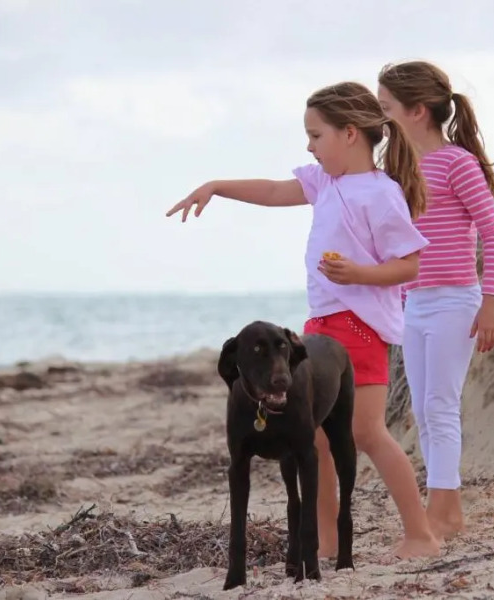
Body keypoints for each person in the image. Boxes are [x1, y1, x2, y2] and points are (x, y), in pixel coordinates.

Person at [166, 81, 441, 559]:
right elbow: (274, 191)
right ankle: (327, 541)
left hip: (361, 329)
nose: (309, 146)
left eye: (316, 136)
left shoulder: (381, 194)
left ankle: (420, 534)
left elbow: (411, 264)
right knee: (315, 442)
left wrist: (359, 272)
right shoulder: (325, 182)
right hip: (317, 330)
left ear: (350, 134)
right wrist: (216, 186)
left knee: (366, 433)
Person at [376, 60, 494, 541]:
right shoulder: (396, 168)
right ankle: (442, 510)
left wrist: (491, 301)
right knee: (423, 411)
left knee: (440, 405)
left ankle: (447, 514)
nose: (379, 117)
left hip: (457, 301)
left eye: (385, 107)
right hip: (414, 304)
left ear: (415, 111)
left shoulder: (458, 162)